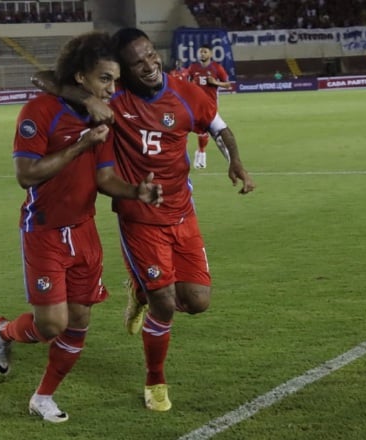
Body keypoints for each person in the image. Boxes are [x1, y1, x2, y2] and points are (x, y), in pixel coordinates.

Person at [32, 27, 255, 412]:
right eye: (137, 63)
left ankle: (138, 291)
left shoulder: (186, 94)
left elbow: (219, 127)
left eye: (151, 55)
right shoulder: (113, 96)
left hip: (182, 211)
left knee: (198, 302)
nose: (149, 65)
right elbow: (43, 78)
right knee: (165, 303)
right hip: (138, 215)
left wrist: (234, 160)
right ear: (124, 70)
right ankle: (155, 380)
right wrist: (85, 96)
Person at [0, 31, 162, 423]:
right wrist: (81, 144)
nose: (112, 89)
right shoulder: (39, 112)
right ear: (80, 77)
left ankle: (43, 397)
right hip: (45, 231)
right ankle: (3, 332)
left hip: (84, 231)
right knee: (51, 325)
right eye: (105, 79)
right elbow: (26, 174)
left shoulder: (100, 113)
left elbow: (104, 178)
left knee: (79, 322)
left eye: (116, 80)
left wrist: (137, 191)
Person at [186, 43, 232, 169]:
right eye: (201, 52)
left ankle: (203, 154)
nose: (202, 54)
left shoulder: (217, 68)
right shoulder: (193, 68)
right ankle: (201, 154)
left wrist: (215, 82)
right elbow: (187, 83)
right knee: (201, 131)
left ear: (211, 54)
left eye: (205, 52)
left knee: (214, 134)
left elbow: (228, 85)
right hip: (195, 105)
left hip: (210, 107)